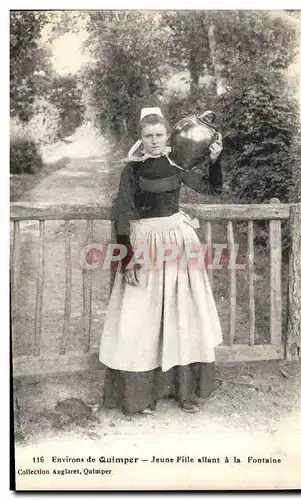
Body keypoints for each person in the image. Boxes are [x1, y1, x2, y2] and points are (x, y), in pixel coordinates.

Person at [99, 107, 223, 415]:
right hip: (145, 245)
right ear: (140, 139)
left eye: (158, 135)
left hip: (179, 243)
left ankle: (185, 391)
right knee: (142, 318)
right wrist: (127, 258)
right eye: (148, 136)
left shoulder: (177, 165)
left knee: (183, 315)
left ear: (167, 137)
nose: (154, 141)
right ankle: (142, 397)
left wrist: (215, 160)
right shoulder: (133, 171)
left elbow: (212, 188)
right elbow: (122, 214)